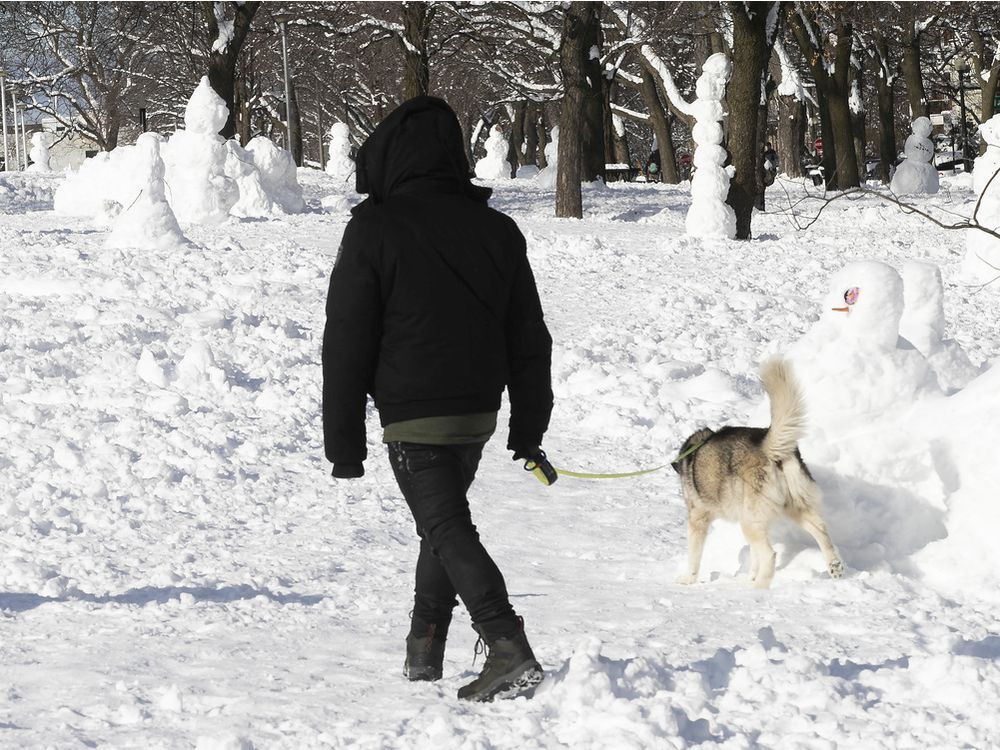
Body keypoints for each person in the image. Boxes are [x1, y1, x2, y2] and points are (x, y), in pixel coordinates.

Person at [322, 96, 554, 702]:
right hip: (476, 413)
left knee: (448, 527)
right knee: (441, 524)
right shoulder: (498, 230)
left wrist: (344, 443)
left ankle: (507, 645)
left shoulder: (373, 228)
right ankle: (424, 647)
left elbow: (346, 340)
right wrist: (528, 425)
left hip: (413, 414)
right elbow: (530, 339)